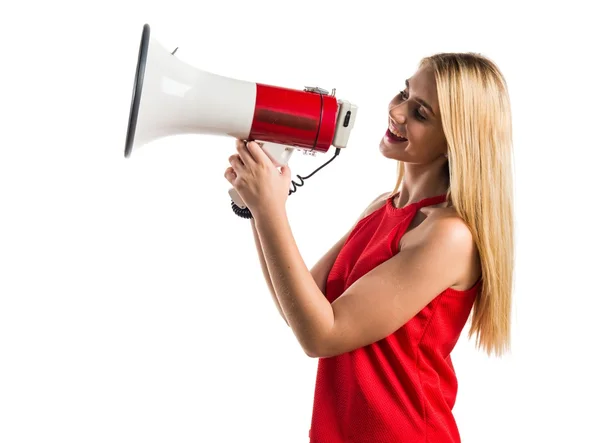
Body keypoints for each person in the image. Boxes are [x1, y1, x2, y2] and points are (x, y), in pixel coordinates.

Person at [224, 52, 514, 443]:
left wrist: (269, 208)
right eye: (403, 94)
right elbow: (302, 309)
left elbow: (322, 335)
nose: (396, 112)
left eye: (420, 113)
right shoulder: (384, 206)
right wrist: (257, 207)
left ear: (455, 142)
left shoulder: (449, 235)